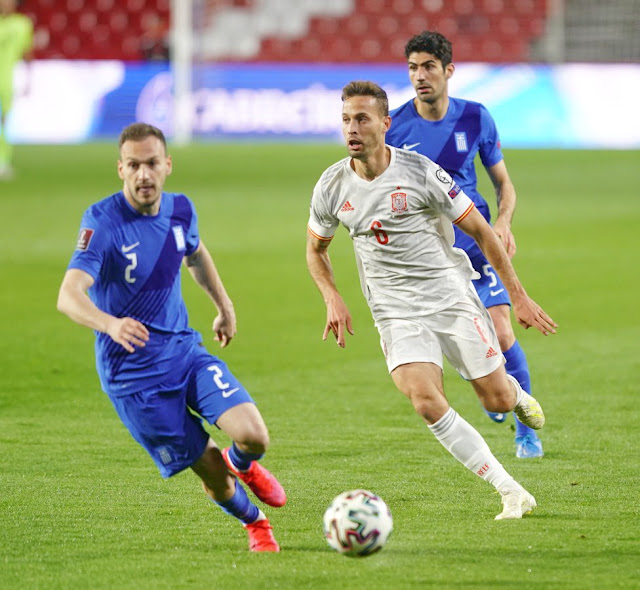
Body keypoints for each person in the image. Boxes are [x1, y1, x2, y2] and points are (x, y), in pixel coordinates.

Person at [306, 81, 557, 520]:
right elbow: (316, 249)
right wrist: (331, 294)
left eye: (362, 119)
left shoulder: (420, 172)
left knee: (494, 401)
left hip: (449, 295)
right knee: (425, 400)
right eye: (346, 119)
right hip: (393, 309)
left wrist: (518, 296)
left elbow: (480, 229)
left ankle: (514, 393)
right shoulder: (331, 185)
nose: (352, 128)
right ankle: (510, 489)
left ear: (385, 124)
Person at [57, 123, 285, 552]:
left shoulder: (181, 210)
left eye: (152, 164)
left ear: (167, 165)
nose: (144, 175)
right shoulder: (103, 222)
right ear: (120, 169)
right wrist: (109, 323)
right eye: (134, 166)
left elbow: (195, 253)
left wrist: (224, 305)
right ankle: (257, 524)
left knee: (254, 437)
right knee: (212, 473)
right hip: (135, 377)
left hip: (184, 353)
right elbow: (68, 295)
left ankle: (246, 466)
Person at [385, 31, 544, 459]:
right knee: (445, 342)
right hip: (426, 257)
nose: (420, 76)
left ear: (448, 71)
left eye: (429, 67)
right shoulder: (394, 126)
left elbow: (503, 184)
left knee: (503, 331)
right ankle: (496, 394)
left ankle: (526, 432)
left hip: (474, 245)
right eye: (413, 68)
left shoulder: (476, 117)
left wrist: (504, 222)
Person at [0, 0, 33, 180]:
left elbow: (26, 52)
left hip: (7, 81)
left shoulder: (22, 24)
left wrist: (29, 78)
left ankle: (3, 161)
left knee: (4, 123)